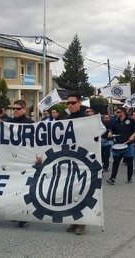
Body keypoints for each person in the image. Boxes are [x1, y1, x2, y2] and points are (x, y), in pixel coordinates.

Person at [63, 94, 89, 235]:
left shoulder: (87, 118)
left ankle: (82, 222)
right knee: (70, 192)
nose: (70, 105)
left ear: (79, 102)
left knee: (81, 191)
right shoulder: (65, 119)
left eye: (73, 102)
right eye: (68, 103)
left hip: (83, 160)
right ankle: (74, 219)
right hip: (68, 159)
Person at [9, 100, 33, 228]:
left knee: (24, 189)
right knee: (13, 189)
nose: (15, 111)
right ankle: (16, 213)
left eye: (18, 109)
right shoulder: (10, 123)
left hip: (25, 161)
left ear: (24, 109)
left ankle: (24, 216)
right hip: (12, 161)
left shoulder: (30, 124)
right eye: (13, 109)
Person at [106, 107, 135, 185]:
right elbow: (112, 130)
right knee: (116, 162)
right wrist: (110, 133)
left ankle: (129, 178)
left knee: (129, 162)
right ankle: (112, 178)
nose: (116, 113)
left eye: (118, 112)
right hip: (118, 144)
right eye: (116, 112)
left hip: (128, 144)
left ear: (123, 113)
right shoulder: (115, 121)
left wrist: (133, 136)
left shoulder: (131, 121)